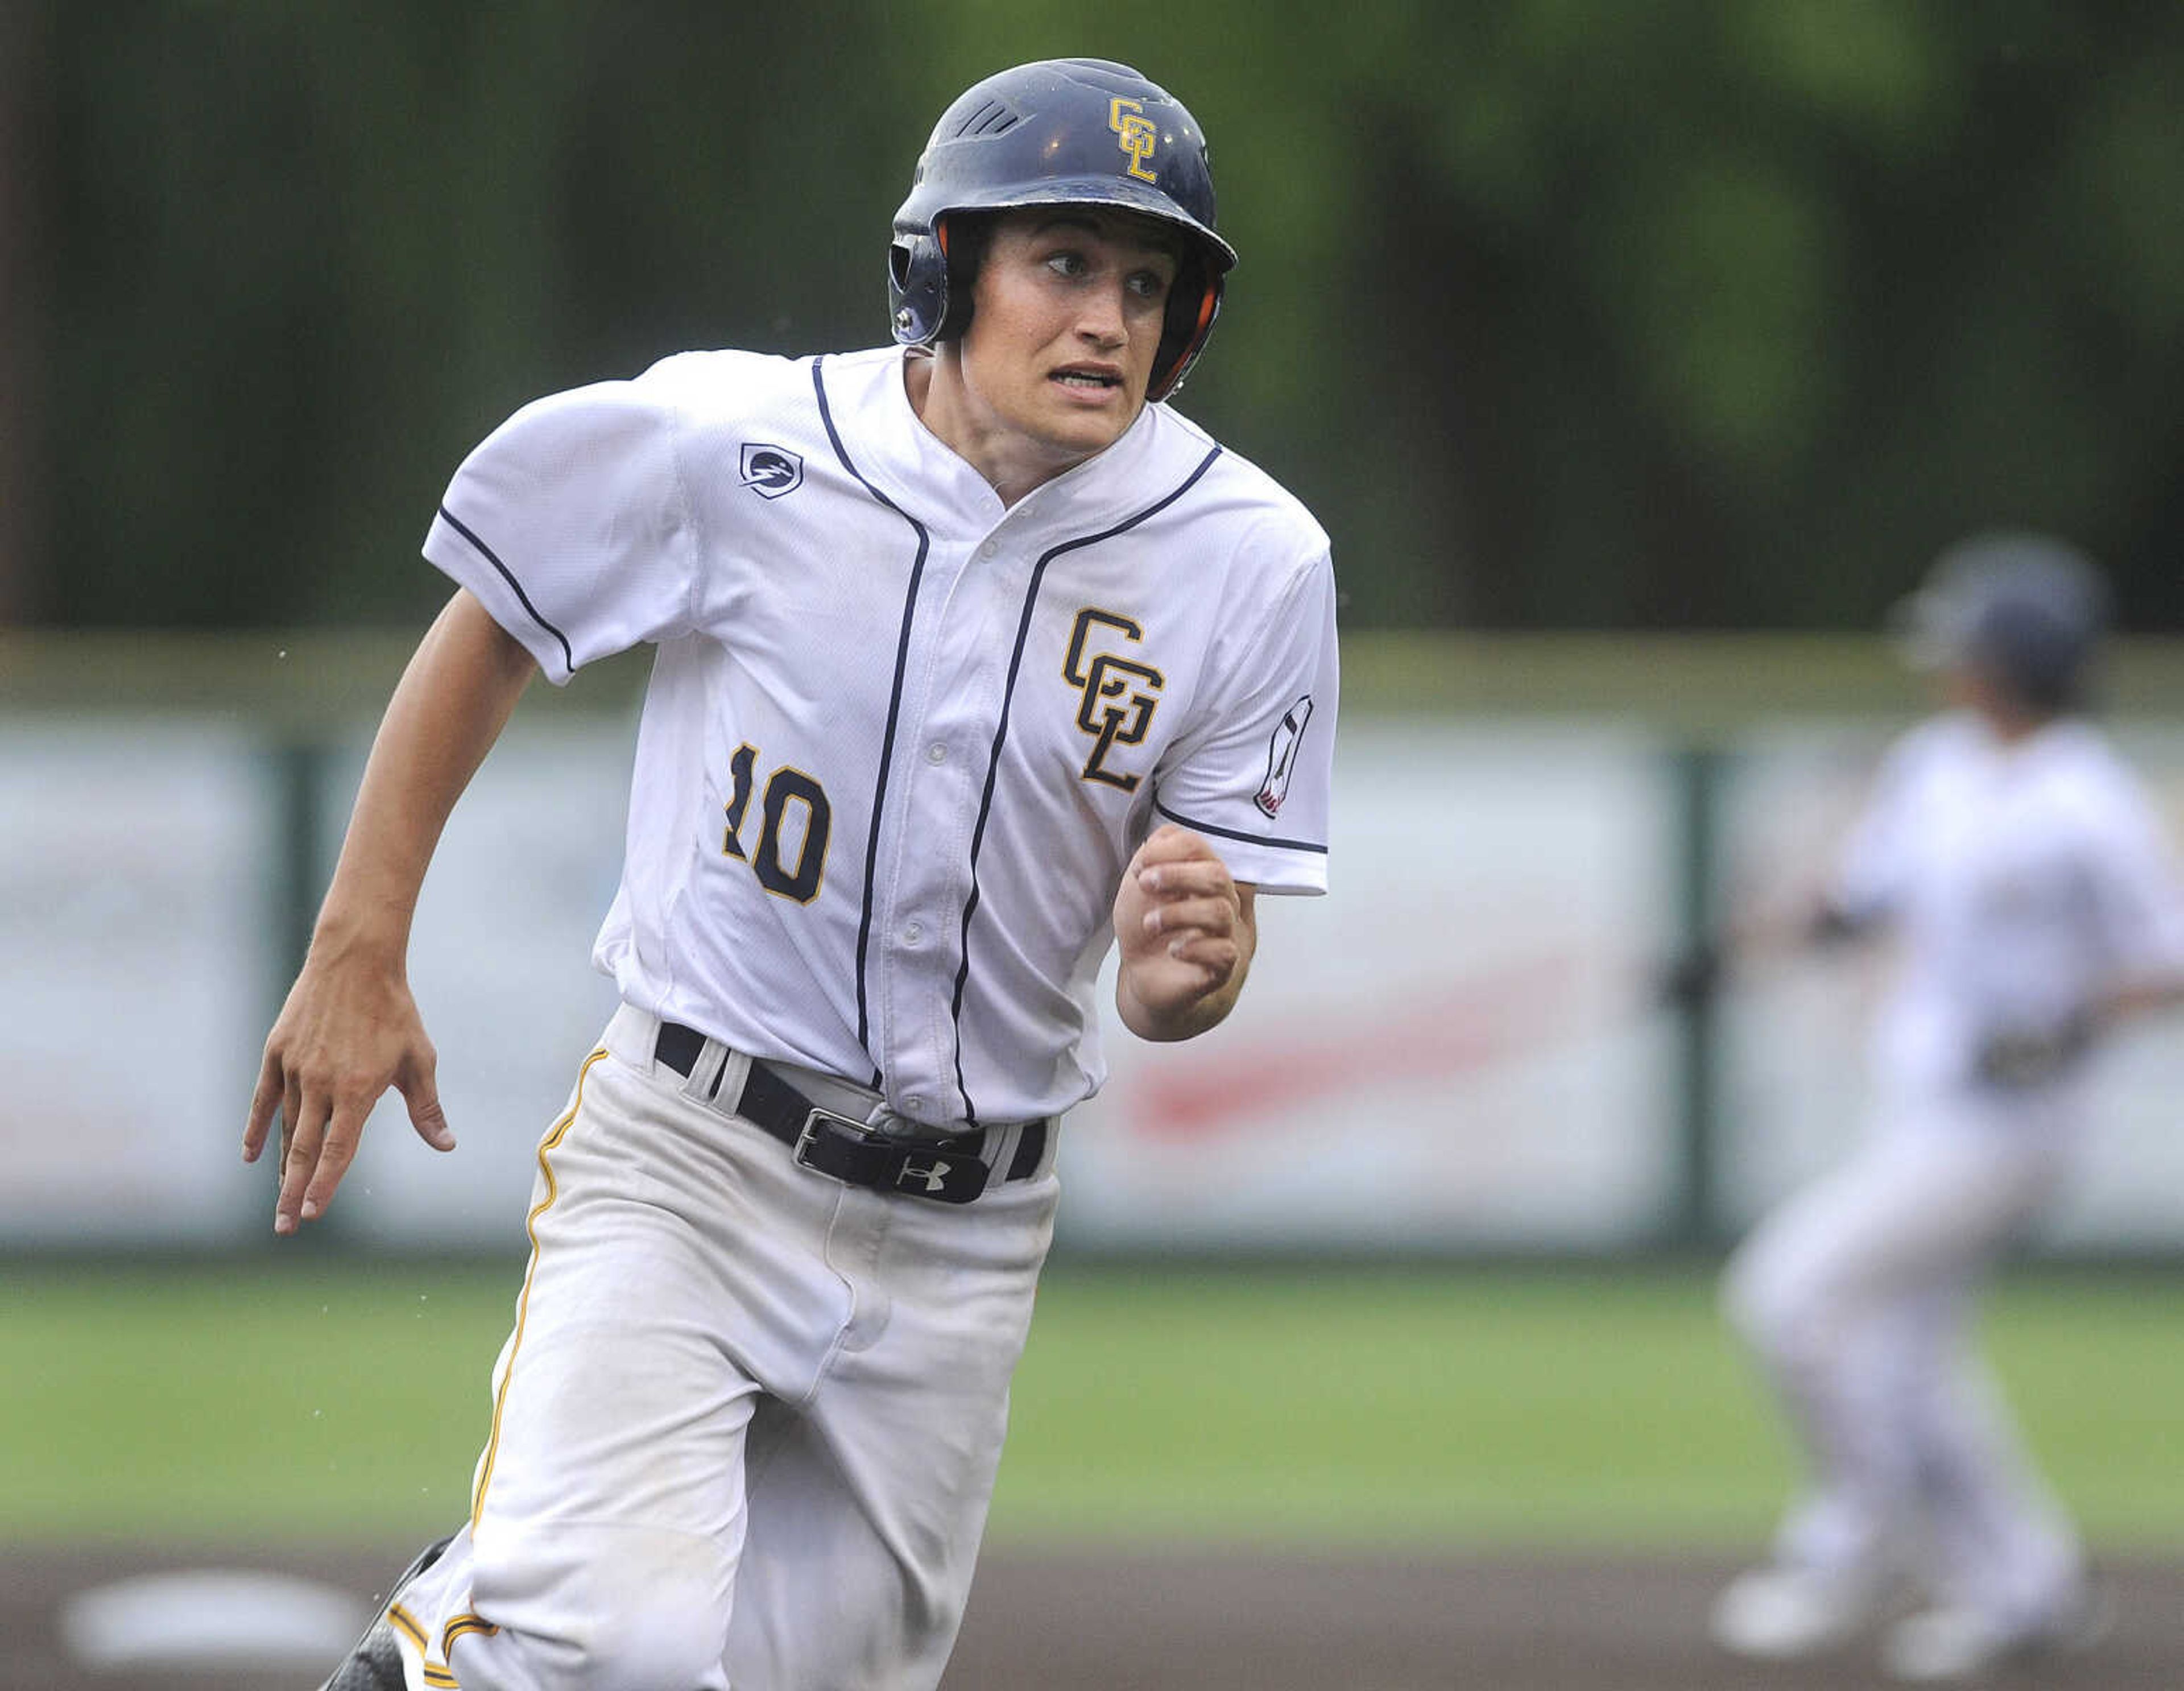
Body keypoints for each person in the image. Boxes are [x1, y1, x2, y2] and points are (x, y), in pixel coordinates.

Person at [245, 57, 1338, 1691]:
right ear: (944, 272)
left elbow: (1188, 969)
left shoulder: (1251, 560)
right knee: (609, 1647)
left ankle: (490, 1592)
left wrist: (1200, 968)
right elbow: (492, 619)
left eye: (1144, 279)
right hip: (694, 1148)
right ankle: (454, 1638)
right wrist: (358, 940)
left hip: (971, 1225)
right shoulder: (738, 440)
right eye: (1061, 262)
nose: (1105, 315)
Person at [1704, 534, 2184, 1681]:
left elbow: (2166, 958)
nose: (1946, 661)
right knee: (1909, 1361)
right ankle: (2025, 1586)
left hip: (2015, 1122)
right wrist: (1733, 948)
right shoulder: (1938, 764)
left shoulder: (2086, 800)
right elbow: (1861, 899)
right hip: (1924, 1106)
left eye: (1966, 642)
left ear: (2012, 659)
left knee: (1790, 1291)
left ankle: (1854, 1542)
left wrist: (2067, 1021)